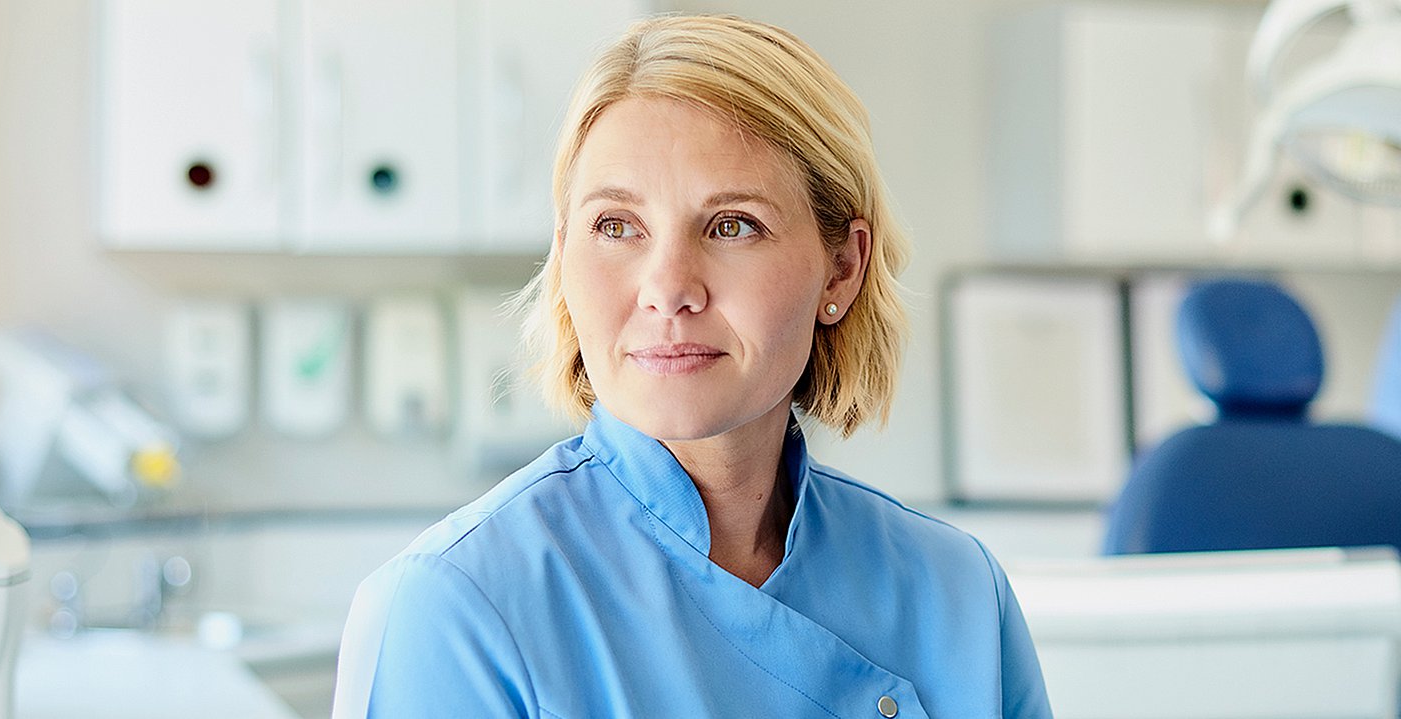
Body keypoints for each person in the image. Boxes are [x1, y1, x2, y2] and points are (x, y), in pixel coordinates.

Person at [333, 14, 1052, 719]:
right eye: (616, 226)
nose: (669, 288)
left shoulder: (958, 592)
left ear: (840, 269)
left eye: (732, 225)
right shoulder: (455, 608)